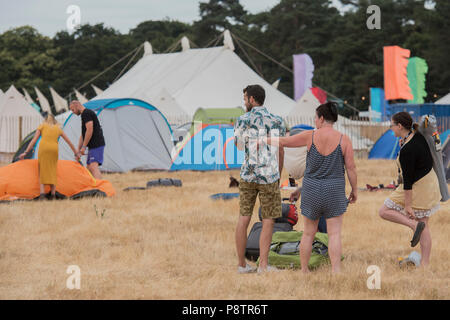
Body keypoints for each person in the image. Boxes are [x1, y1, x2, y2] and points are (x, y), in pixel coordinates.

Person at [264, 102, 357, 273]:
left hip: (312, 188)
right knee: (334, 233)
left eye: (315, 117)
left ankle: (304, 270)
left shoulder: (310, 136)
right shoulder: (344, 140)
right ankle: (336, 270)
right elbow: (351, 168)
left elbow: (284, 141)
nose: (314, 120)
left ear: (322, 118)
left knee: (308, 233)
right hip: (334, 189)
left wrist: (265, 140)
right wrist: (354, 190)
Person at [234, 85, 286, 274]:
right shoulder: (277, 120)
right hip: (269, 176)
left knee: (243, 218)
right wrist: (278, 173)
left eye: (245, 98)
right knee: (268, 220)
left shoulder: (242, 119)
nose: (244, 102)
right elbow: (281, 149)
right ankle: (263, 266)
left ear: (253, 99)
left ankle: (242, 265)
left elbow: (239, 146)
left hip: (247, 175)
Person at [378, 112, 441, 267]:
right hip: (430, 183)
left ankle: (413, 226)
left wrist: (407, 206)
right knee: (424, 223)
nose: (391, 128)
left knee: (384, 211)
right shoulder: (416, 135)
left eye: (392, 125)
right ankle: (425, 265)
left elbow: (408, 181)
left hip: (418, 186)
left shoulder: (407, 150)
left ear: (400, 126)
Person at [19, 114, 78, 200]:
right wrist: (76, 153)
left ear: (46, 120)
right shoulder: (58, 128)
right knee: (53, 170)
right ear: (54, 120)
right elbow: (69, 142)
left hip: (44, 149)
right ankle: (53, 194)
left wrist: (25, 152)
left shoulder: (42, 126)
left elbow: (34, 140)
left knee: (42, 170)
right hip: (54, 150)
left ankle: (42, 194)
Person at [69, 100, 106, 179]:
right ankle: (93, 186)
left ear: (77, 105)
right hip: (92, 146)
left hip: (97, 144)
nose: (73, 112)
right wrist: (78, 150)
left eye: (73, 110)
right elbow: (83, 135)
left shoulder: (86, 113)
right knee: (89, 167)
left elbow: (90, 129)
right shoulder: (84, 115)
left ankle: (100, 188)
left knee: (93, 166)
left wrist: (84, 147)